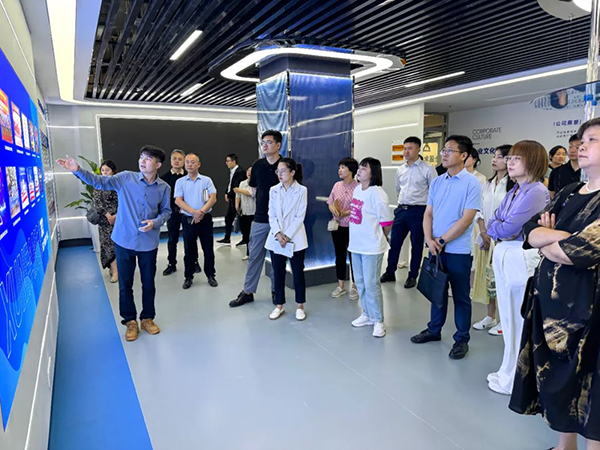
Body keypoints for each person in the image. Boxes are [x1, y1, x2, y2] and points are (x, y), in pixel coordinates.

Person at [509, 118, 600, 450]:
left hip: (590, 309)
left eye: (592, 139)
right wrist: (557, 237)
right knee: (559, 381)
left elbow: (579, 251)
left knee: (590, 384)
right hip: (551, 307)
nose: (581, 145)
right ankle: (565, 445)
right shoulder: (569, 191)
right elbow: (530, 229)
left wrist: (550, 239)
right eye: (581, 139)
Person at [56, 146, 171, 342]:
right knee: (125, 283)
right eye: (141, 157)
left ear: (158, 165)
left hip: (148, 242)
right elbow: (99, 181)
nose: (142, 161)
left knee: (148, 283)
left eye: (148, 159)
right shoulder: (126, 178)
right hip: (124, 240)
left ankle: (147, 318)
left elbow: (166, 211)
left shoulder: (164, 188)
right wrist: (77, 170)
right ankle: (130, 321)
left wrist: (155, 222)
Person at [486, 141, 550, 395]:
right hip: (506, 253)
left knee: (518, 319)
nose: (509, 162)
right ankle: (509, 370)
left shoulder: (535, 192)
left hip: (521, 257)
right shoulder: (516, 190)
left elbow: (510, 228)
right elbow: (494, 220)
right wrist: (499, 226)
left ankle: (519, 377)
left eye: (516, 159)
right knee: (508, 318)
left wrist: (499, 226)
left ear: (532, 161)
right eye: (509, 158)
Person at [410, 135, 482, 360]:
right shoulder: (438, 181)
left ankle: (461, 339)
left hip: (458, 251)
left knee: (461, 297)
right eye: (444, 150)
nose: (444, 154)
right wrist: (429, 240)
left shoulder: (472, 183)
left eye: (450, 150)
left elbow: (467, 219)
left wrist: (441, 241)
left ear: (464, 155)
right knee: (437, 293)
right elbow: (428, 214)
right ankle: (434, 330)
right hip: (435, 248)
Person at [229, 130, 282, 308]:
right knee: (254, 256)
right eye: (263, 142)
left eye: (269, 142)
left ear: (278, 145)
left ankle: (276, 290)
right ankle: (248, 291)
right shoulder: (258, 165)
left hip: (280, 220)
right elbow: (253, 189)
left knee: (277, 258)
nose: (264, 145)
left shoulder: (286, 165)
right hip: (260, 218)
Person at [380, 136, 436, 288]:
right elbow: (398, 189)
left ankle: (412, 276)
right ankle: (390, 272)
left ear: (418, 149)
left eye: (410, 148)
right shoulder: (401, 170)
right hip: (402, 210)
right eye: (405, 149)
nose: (406, 152)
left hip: (419, 211)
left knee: (416, 245)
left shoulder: (427, 169)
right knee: (395, 243)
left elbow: (434, 192)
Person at [349, 157, 393, 338]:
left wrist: (379, 237)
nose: (359, 171)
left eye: (364, 168)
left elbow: (387, 223)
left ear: (373, 173)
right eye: (359, 168)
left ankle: (378, 320)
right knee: (360, 282)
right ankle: (367, 314)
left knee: (371, 284)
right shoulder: (357, 189)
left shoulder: (378, 194)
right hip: (356, 245)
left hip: (372, 247)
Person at [471, 145, 513, 335]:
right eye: (494, 156)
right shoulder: (488, 184)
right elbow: (479, 210)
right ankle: (490, 316)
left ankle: (505, 321)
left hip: (504, 240)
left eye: (500, 157)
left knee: (502, 280)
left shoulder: (513, 186)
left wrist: (493, 233)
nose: (494, 160)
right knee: (489, 278)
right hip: (486, 237)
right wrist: (483, 232)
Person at [265, 158, 308, 321]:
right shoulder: (273, 190)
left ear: (292, 172)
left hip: (295, 238)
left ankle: (300, 306)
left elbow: (300, 216)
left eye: (283, 171)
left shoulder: (302, 190)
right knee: (278, 273)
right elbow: (271, 214)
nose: (280, 174)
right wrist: (278, 234)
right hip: (276, 238)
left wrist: (287, 236)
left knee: (298, 273)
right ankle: (279, 305)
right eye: (278, 171)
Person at [174, 153, 218, 289]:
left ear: (198, 164)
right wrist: (194, 212)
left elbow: (213, 198)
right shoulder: (180, 182)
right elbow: (178, 200)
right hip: (188, 219)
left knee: (208, 248)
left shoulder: (206, 180)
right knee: (189, 250)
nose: (190, 164)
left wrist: (201, 212)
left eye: (193, 162)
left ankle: (210, 275)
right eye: (187, 162)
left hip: (205, 219)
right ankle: (188, 276)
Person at [161, 149, 200, 276]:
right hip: (173, 213)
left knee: (191, 238)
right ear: (170, 161)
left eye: (180, 159)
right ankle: (171, 264)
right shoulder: (164, 179)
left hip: (188, 212)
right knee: (172, 239)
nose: (177, 161)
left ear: (184, 162)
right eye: (174, 159)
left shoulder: (190, 177)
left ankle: (194, 262)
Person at [327, 157, 359, 299]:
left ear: (351, 170)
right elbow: (330, 202)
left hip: (353, 227)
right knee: (339, 255)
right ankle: (340, 285)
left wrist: (345, 213)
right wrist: (333, 209)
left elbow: (359, 207)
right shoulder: (337, 185)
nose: (340, 170)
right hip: (337, 226)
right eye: (339, 167)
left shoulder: (358, 187)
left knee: (354, 257)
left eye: (343, 167)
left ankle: (355, 286)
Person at [94, 160, 119, 283]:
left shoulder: (118, 184)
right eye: (102, 170)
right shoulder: (98, 184)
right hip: (104, 221)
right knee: (106, 245)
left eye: (107, 170)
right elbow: (97, 202)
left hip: (118, 219)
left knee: (115, 245)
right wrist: (108, 215)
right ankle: (113, 269)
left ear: (113, 171)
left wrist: (116, 215)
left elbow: (123, 201)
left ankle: (116, 269)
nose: (104, 172)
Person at [217, 153, 246, 245]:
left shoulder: (239, 172)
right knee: (228, 218)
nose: (226, 163)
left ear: (234, 161)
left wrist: (230, 194)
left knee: (240, 219)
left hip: (238, 199)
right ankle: (227, 237)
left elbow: (236, 186)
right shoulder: (233, 171)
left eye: (228, 161)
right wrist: (227, 192)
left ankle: (245, 238)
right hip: (232, 198)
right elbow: (231, 184)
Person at [234, 166, 256, 261]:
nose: (249, 173)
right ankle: (248, 253)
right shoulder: (242, 183)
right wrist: (237, 206)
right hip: (244, 213)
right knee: (246, 233)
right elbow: (237, 195)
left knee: (253, 235)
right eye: (248, 171)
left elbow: (251, 193)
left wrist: (239, 190)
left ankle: (254, 253)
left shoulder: (255, 182)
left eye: (251, 171)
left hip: (253, 213)